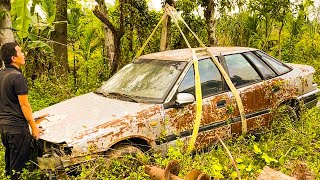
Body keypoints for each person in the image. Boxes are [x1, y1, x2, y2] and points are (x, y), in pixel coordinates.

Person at [0, 42, 41, 179]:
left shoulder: (1, 74)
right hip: (17, 129)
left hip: (4, 128)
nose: (23, 54)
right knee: (19, 170)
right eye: (20, 52)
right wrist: (34, 127)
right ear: (13, 58)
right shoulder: (18, 77)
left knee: (11, 163)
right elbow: (24, 105)